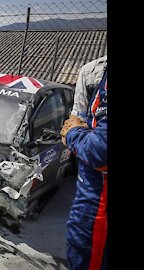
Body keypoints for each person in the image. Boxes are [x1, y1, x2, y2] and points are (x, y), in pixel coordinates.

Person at [60, 57, 107, 270]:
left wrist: (74, 133)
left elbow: (99, 151)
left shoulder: (91, 72)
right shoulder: (93, 70)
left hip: (98, 202)